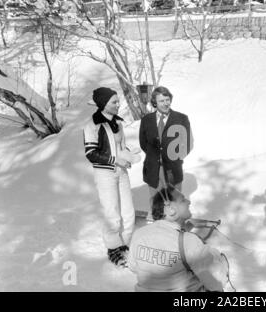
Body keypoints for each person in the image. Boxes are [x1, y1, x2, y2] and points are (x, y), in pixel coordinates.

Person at [127, 185, 228, 292]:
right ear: (171, 210)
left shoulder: (139, 234)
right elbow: (215, 281)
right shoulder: (188, 241)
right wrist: (217, 258)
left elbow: (133, 267)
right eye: (183, 200)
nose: (189, 201)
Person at [83, 87, 139, 267]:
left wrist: (129, 155)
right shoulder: (93, 125)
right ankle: (113, 248)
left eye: (117, 101)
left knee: (128, 212)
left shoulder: (118, 123)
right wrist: (116, 160)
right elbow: (91, 153)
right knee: (112, 213)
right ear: (103, 103)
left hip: (121, 171)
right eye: (114, 102)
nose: (118, 104)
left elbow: (120, 147)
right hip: (105, 173)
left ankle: (125, 244)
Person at [139, 86, 193, 201]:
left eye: (167, 100)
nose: (165, 104)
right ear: (155, 102)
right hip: (153, 168)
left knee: (175, 201)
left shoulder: (181, 118)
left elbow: (188, 143)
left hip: (173, 167)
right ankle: (156, 217)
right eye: (161, 101)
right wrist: (155, 156)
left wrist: (176, 158)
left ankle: (176, 218)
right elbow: (143, 143)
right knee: (156, 202)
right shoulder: (146, 120)